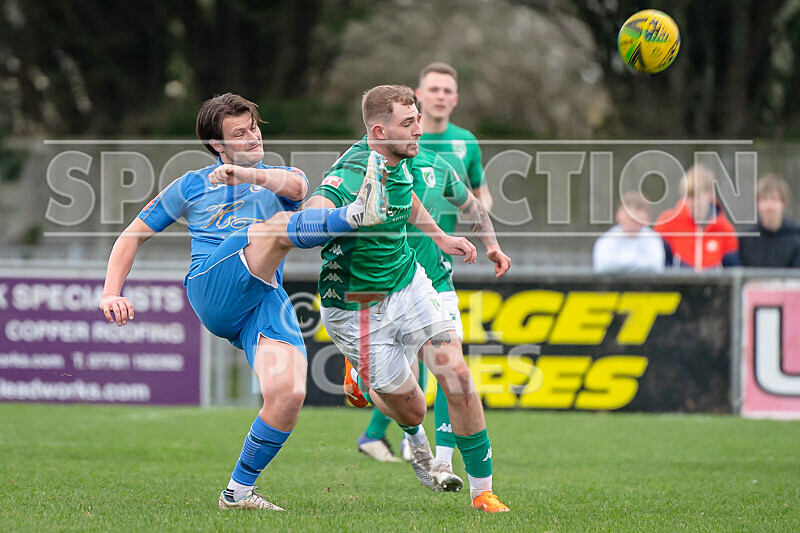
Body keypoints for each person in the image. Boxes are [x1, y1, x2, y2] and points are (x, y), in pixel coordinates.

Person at [98, 93, 388, 511]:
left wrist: (248, 176)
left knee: (287, 395)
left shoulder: (279, 176)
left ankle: (236, 493)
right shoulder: (191, 185)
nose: (253, 136)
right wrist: (111, 291)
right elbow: (132, 235)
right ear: (217, 145)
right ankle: (357, 215)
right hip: (212, 288)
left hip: (261, 297)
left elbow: (299, 186)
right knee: (269, 229)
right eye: (240, 133)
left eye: (254, 127)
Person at [303, 85, 511, 512]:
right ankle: (362, 378)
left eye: (417, 119)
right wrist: (342, 215)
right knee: (414, 411)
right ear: (379, 130)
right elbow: (309, 216)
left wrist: (440, 236)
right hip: (356, 307)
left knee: (457, 376)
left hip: (407, 282)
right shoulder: (350, 172)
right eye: (408, 123)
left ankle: (482, 492)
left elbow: (406, 194)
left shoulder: (400, 158)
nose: (419, 130)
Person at [416, 62, 492, 211]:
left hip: (447, 235)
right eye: (434, 89)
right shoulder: (400, 139)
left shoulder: (467, 141)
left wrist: (481, 212)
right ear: (419, 95)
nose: (441, 96)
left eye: (447, 91)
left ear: (455, 99)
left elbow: (483, 194)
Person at [654, 164, 740, 270]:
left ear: (709, 194)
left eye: (697, 196)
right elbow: (658, 264)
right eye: (688, 197)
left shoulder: (725, 229)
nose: (692, 203)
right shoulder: (668, 222)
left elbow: (733, 271)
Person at [593, 191, 665, 272]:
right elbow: (603, 266)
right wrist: (636, 262)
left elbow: (655, 266)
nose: (632, 215)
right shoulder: (606, 240)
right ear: (617, 215)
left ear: (647, 218)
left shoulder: (653, 240)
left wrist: (623, 263)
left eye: (638, 210)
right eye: (627, 210)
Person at [739, 174, 800, 267]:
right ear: (757, 203)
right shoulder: (745, 240)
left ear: (783, 202)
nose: (769, 206)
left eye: (774, 199)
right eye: (764, 199)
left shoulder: (796, 237)